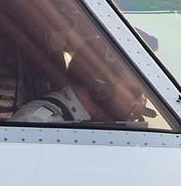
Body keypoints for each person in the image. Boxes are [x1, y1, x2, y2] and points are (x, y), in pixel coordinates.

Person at [10, 47, 155, 127]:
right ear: (100, 85)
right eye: (135, 92)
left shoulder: (90, 122)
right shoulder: (40, 122)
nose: (140, 103)